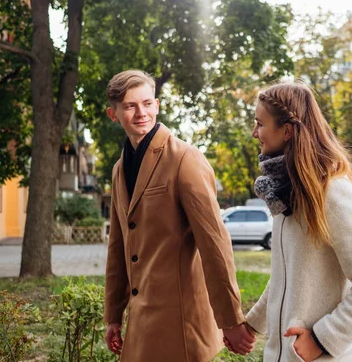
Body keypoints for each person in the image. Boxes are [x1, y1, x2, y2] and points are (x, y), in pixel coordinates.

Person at [225, 81, 352, 361]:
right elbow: (285, 276)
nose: (255, 133)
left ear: (287, 131)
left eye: (260, 124)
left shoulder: (331, 192)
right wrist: (253, 324)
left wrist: (322, 339)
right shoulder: (285, 192)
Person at [103, 70, 254, 361]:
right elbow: (118, 245)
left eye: (147, 103)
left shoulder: (185, 158)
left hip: (181, 324)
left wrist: (231, 319)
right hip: (141, 322)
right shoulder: (119, 169)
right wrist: (113, 315)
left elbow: (214, 243)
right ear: (114, 113)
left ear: (157, 106)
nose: (141, 113)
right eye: (131, 106)